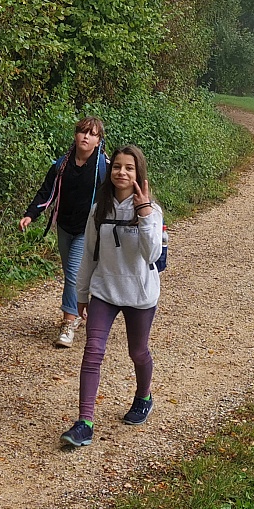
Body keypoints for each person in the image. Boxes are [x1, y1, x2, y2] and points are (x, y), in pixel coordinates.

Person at [60, 144, 162, 449]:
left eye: (129, 168)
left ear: (138, 174)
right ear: (110, 170)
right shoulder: (99, 209)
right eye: (117, 166)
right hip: (105, 290)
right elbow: (89, 256)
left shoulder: (151, 211)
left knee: (138, 352)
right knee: (93, 351)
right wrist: (81, 293)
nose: (122, 173)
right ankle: (85, 422)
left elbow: (152, 255)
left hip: (139, 293)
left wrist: (144, 214)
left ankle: (143, 397)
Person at [20, 117, 108, 347]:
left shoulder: (103, 168)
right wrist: (31, 214)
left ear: (99, 140)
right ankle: (84, 307)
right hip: (64, 226)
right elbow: (46, 192)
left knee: (72, 273)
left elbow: (115, 195)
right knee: (74, 273)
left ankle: (69, 321)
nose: (86, 137)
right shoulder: (62, 165)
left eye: (92, 134)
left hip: (87, 229)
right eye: (82, 132)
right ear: (75, 135)